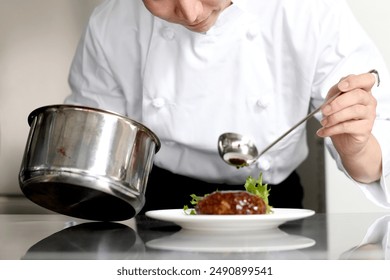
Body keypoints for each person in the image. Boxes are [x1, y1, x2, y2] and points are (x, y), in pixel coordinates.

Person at [65, 0, 390, 212]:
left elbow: (375, 165)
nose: (192, 13)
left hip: (274, 209)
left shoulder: (311, 11)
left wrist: (356, 148)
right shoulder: (111, 23)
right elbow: (93, 155)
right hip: (161, 210)